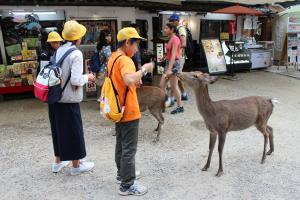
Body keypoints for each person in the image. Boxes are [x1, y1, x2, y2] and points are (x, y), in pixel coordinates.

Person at [108, 27, 154, 196]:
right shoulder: (126, 60)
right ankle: (127, 185)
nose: (136, 49)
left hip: (118, 108)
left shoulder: (113, 57)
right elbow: (128, 79)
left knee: (121, 144)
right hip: (129, 110)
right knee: (129, 149)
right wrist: (144, 69)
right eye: (136, 45)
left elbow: (121, 81)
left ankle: (122, 175)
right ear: (127, 42)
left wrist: (135, 80)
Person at [48, 20, 96, 175]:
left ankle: (58, 163)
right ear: (78, 37)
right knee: (74, 132)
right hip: (68, 100)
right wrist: (88, 77)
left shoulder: (59, 50)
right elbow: (75, 80)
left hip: (55, 98)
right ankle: (76, 166)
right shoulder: (76, 53)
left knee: (58, 131)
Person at [159, 23, 184, 114]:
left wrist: (169, 69)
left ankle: (180, 106)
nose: (164, 30)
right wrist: (164, 57)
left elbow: (174, 55)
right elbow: (169, 53)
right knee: (162, 85)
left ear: (172, 29)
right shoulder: (171, 39)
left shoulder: (176, 39)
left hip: (173, 65)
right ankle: (167, 102)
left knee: (174, 87)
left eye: (166, 28)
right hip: (169, 63)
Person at [168, 13, 189, 101]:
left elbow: (184, 44)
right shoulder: (177, 29)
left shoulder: (181, 29)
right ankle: (184, 94)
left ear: (177, 21)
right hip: (178, 56)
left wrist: (174, 48)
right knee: (178, 76)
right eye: (170, 21)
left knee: (174, 77)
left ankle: (172, 98)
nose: (171, 22)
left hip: (179, 57)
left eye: (172, 21)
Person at [96, 29, 113, 101]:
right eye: (109, 35)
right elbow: (109, 60)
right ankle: (105, 104)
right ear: (105, 37)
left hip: (101, 69)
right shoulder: (107, 48)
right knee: (106, 88)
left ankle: (102, 103)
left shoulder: (100, 46)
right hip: (106, 70)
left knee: (102, 88)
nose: (110, 37)